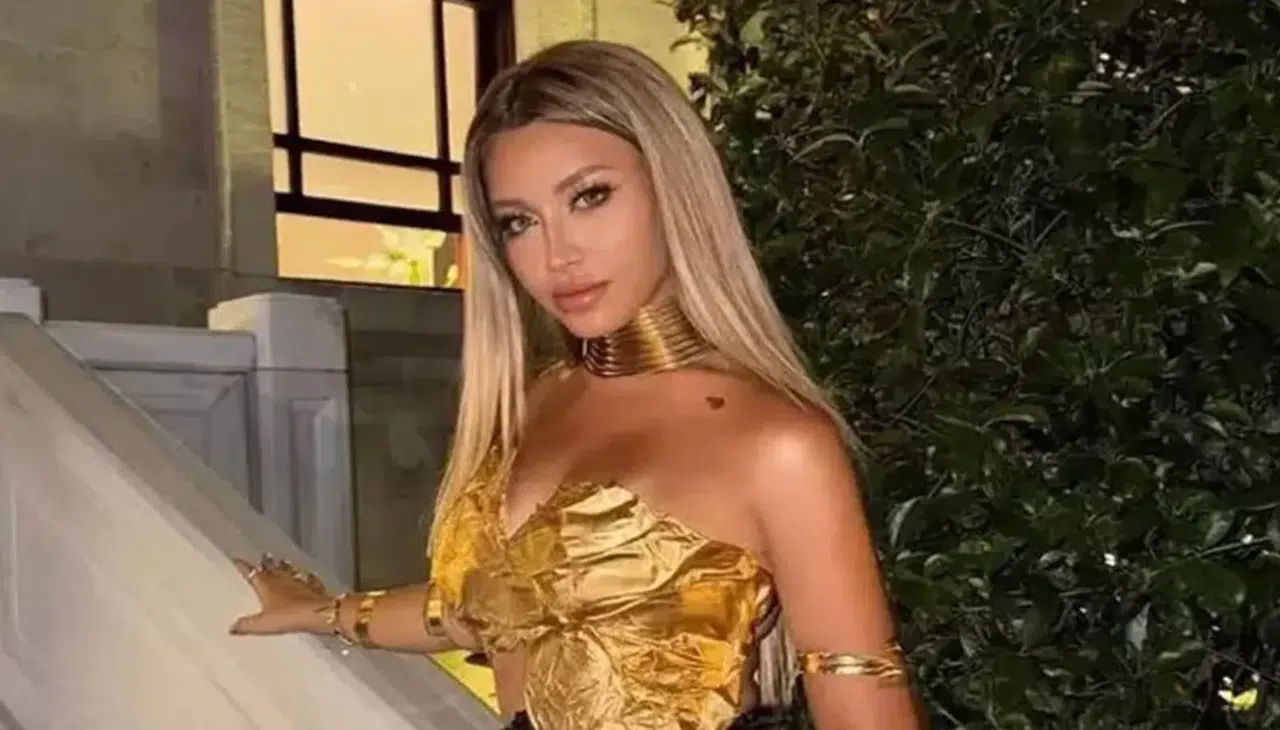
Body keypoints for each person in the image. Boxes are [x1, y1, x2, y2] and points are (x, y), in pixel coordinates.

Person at [229, 39, 922, 730]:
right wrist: (328, 612)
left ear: (674, 188)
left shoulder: (777, 443)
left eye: (590, 197)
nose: (558, 254)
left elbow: (864, 699)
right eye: (519, 223)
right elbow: (483, 610)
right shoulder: (537, 402)